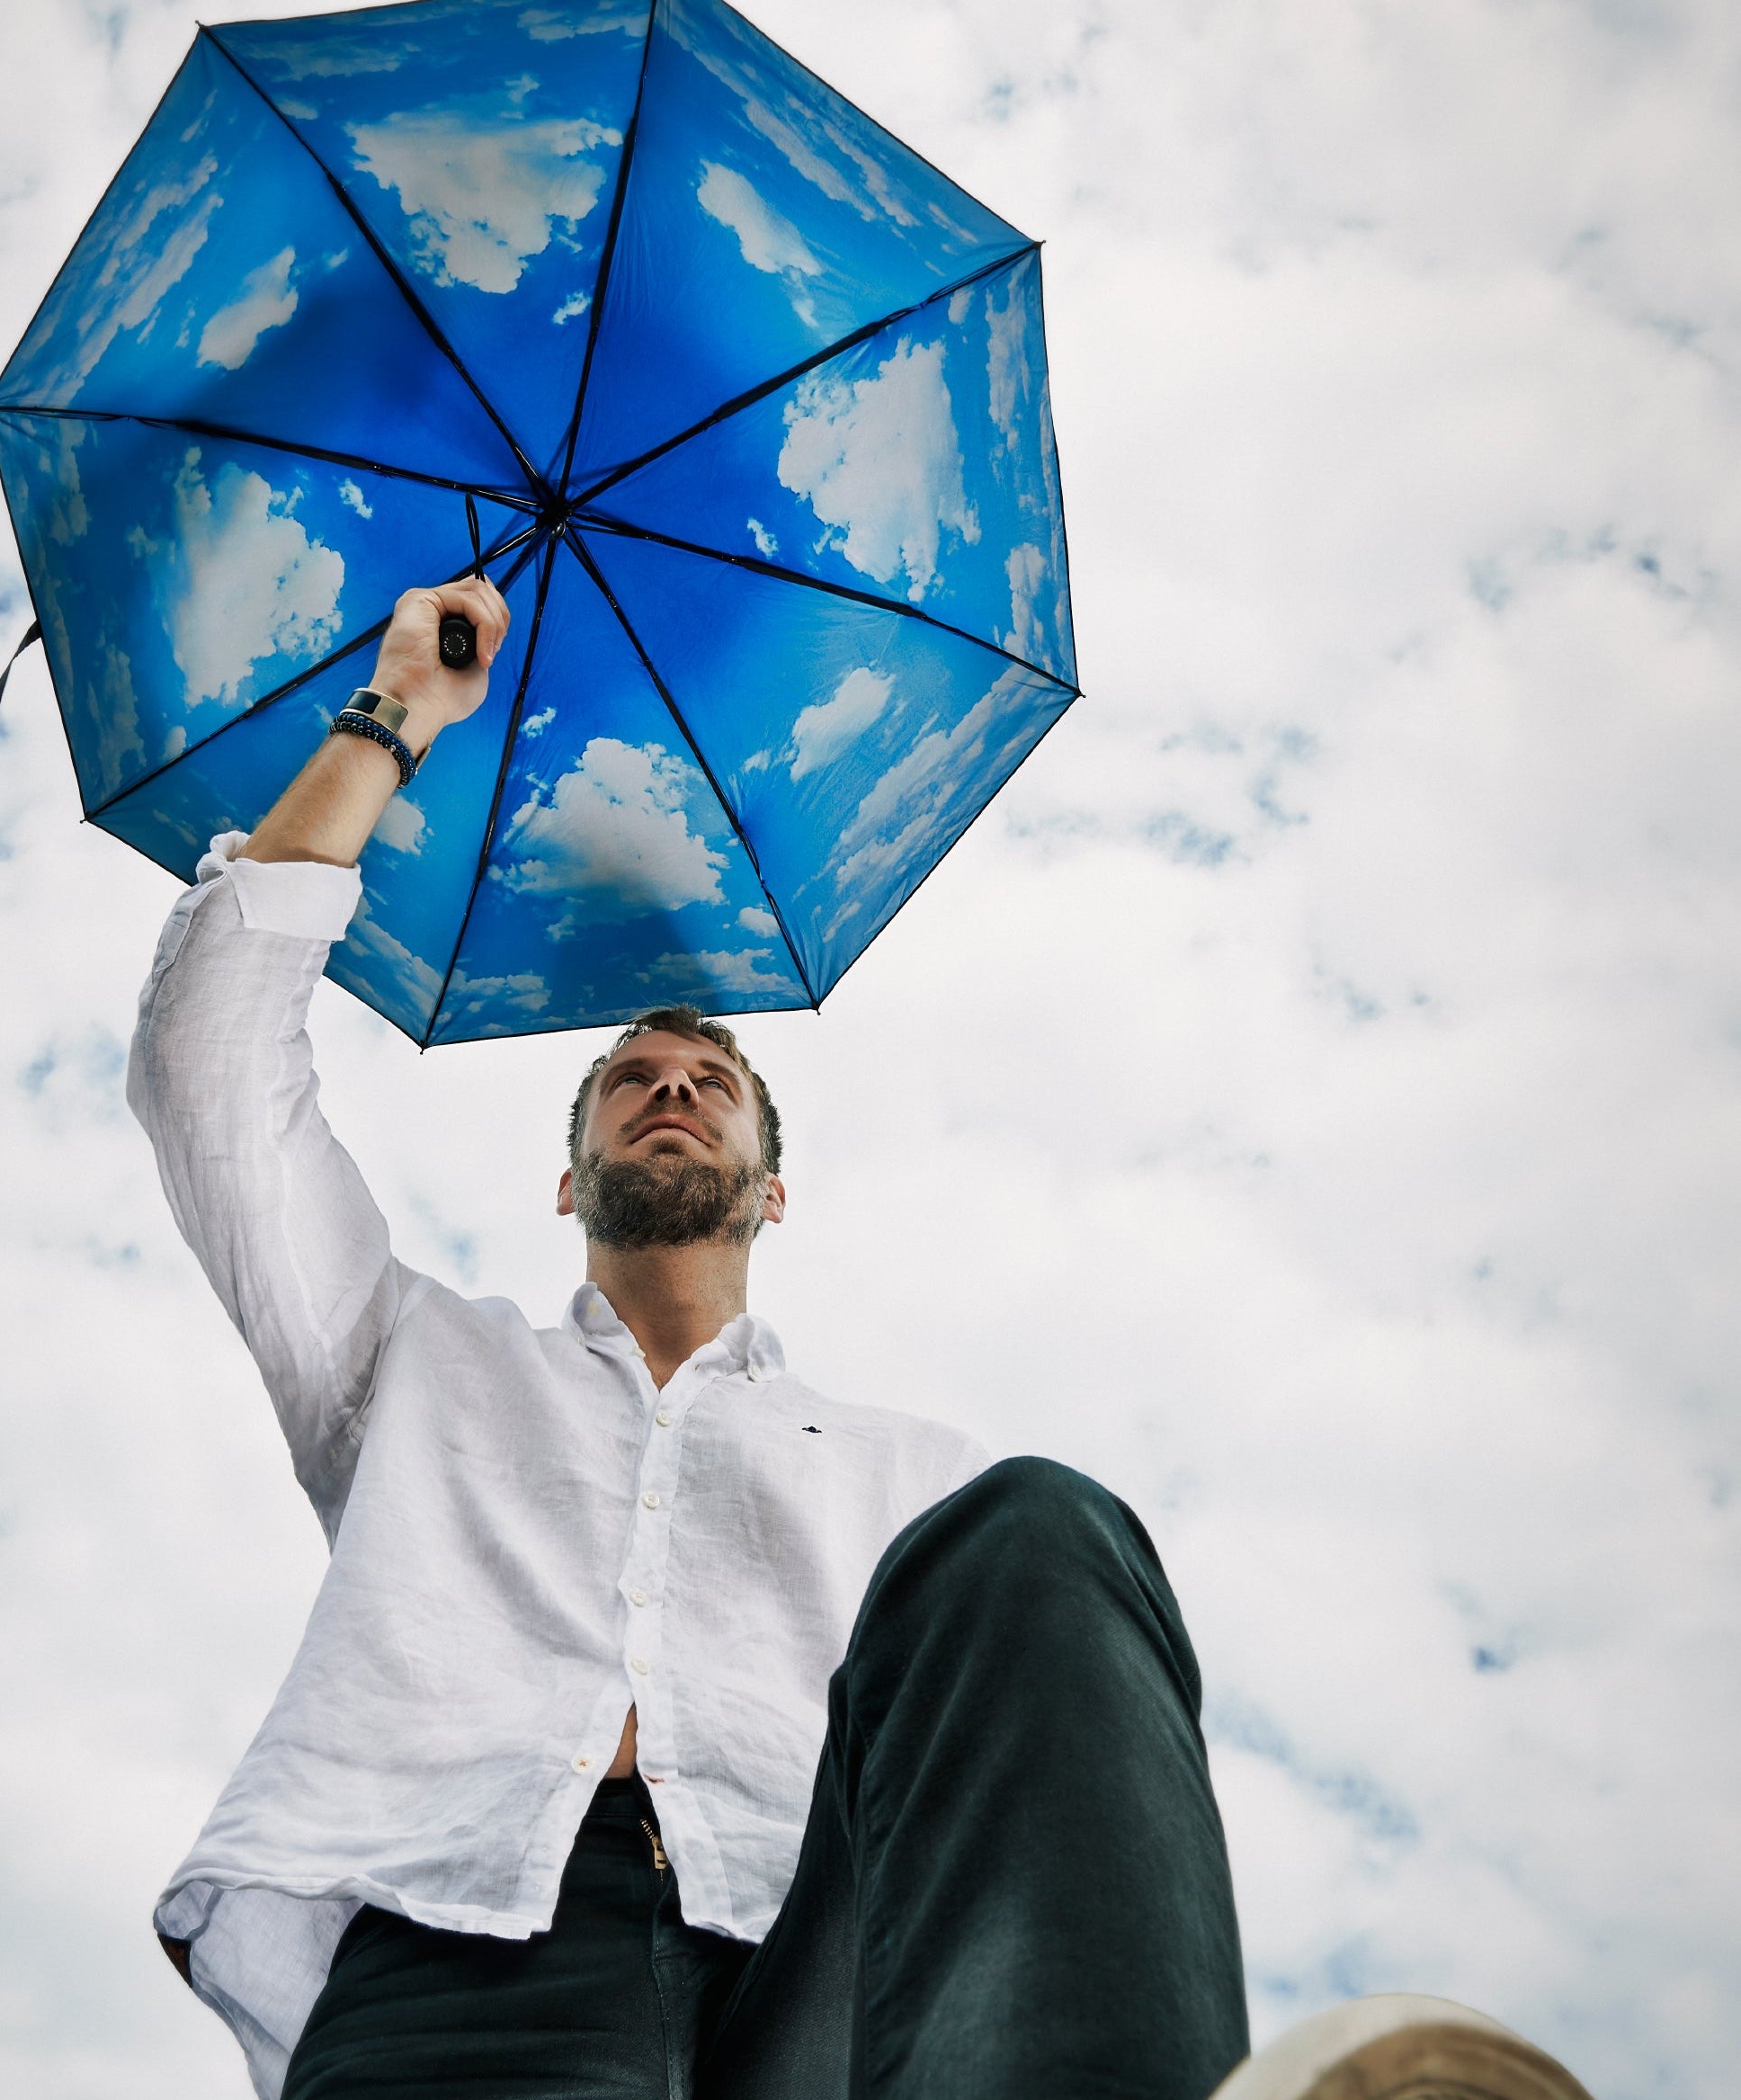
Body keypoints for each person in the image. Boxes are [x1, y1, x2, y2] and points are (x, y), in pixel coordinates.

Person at [128, 574, 1250, 2100]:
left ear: (772, 1188)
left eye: (709, 1082)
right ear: (570, 1173)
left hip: (826, 1958)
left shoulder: (907, 1476)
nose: (671, 1087)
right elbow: (208, 1069)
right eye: (632, 1077)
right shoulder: (409, 1362)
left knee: (1041, 1531)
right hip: (463, 1955)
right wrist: (399, 711)